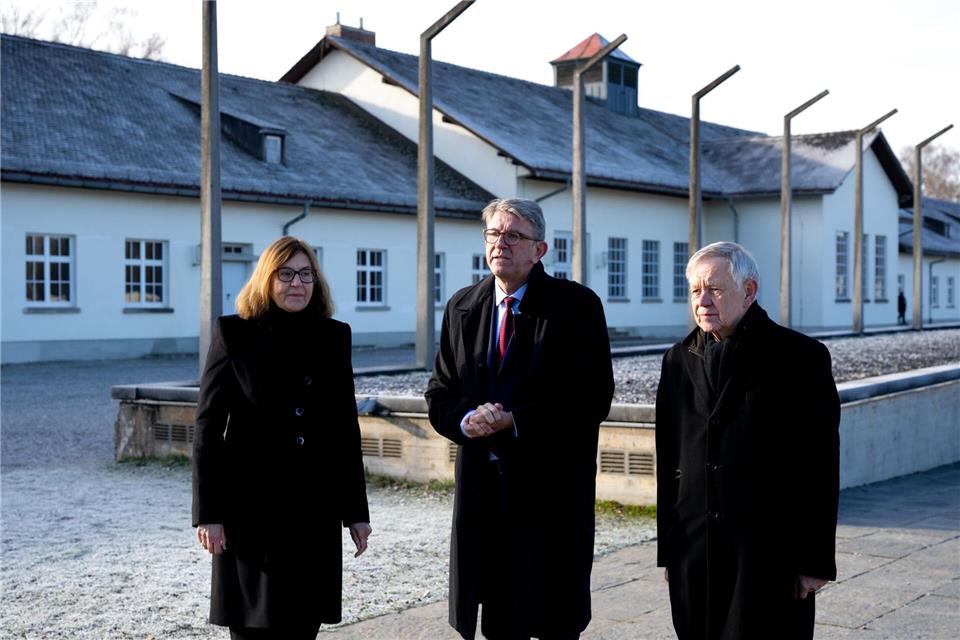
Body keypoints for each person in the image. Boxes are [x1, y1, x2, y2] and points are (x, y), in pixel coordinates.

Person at [426, 198, 615, 640]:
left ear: (540, 249)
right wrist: (467, 419)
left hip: (550, 493)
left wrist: (514, 420)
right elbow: (439, 393)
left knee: (554, 618)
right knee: (498, 621)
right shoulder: (462, 306)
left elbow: (592, 397)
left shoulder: (576, 306)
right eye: (494, 234)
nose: (501, 243)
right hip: (484, 495)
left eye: (514, 235)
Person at [655, 241, 840, 640]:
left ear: (749, 291)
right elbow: (668, 458)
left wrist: (814, 561)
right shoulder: (677, 360)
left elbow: (820, 465)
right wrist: (669, 548)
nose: (702, 300)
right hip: (694, 551)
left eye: (714, 289)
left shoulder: (800, 357)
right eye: (695, 290)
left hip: (768, 553)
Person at [192, 236, 371, 640]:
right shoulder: (233, 334)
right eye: (286, 274)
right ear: (266, 278)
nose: (297, 284)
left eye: (306, 274)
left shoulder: (334, 336)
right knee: (253, 626)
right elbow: (207, 429)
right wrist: (209, 513)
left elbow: (345, 430)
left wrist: (356, 513)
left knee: (303, 626)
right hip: (251, 514)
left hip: (314, 512)